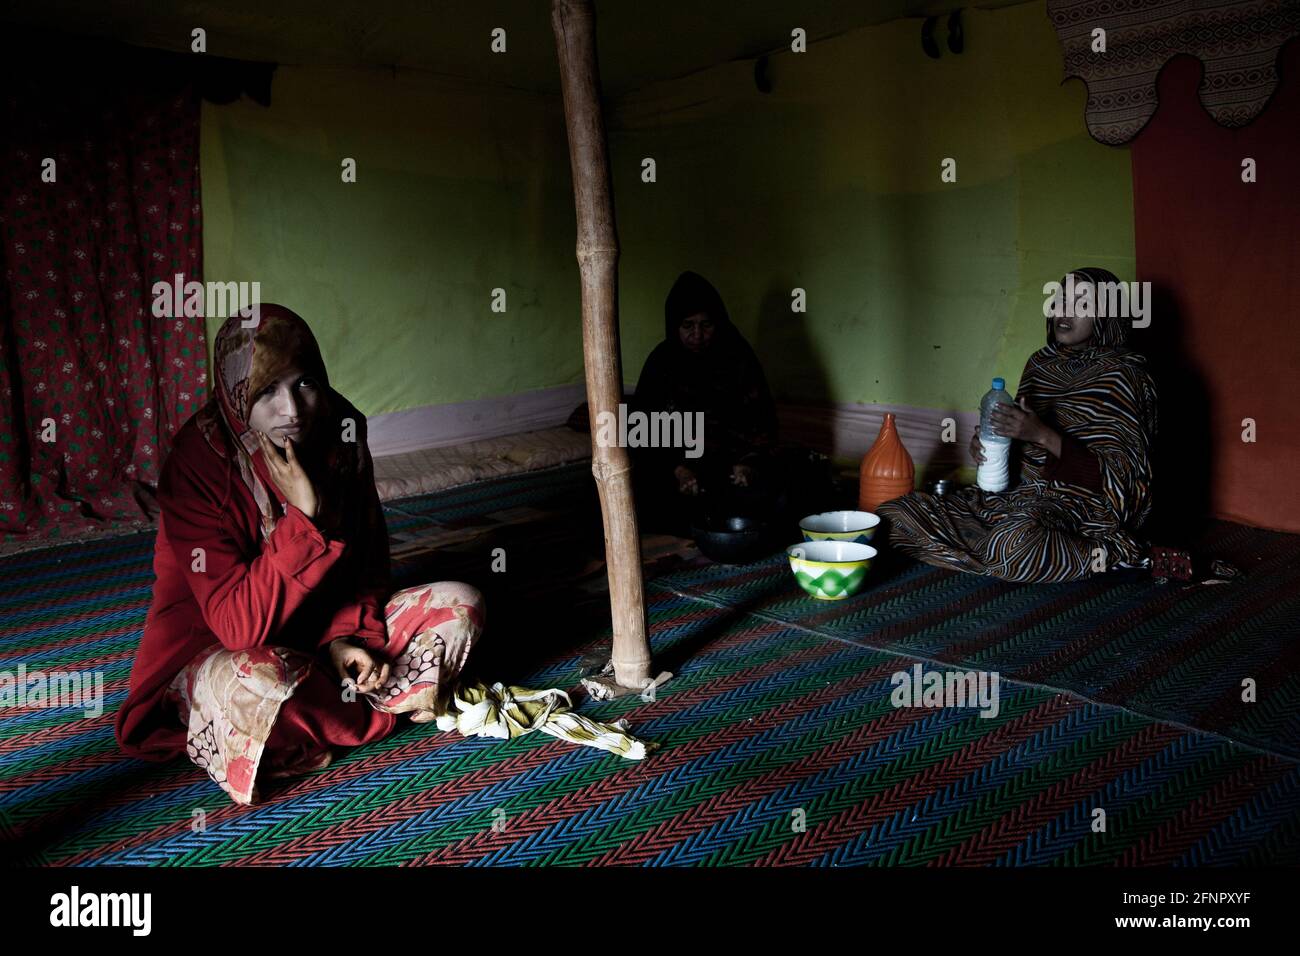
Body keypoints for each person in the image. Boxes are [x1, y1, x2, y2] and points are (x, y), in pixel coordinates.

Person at [115, 304, 484, 804]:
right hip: (219, 646)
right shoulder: (196, 463)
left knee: (461, 603)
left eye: (305, 383)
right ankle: (377, 710)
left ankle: (317, 716)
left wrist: (346, 638)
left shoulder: (341, 429)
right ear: (235, 391)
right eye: (267, 390)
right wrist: (304, 521)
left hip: (321, 634)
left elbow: (369, 561)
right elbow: (237, 626)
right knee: (252, 683)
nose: (292, 409)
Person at [878, 268, 1158, 584]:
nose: (1064, 312)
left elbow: (1127, 480)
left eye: (1082, 304)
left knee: (1014, 543)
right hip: (1016, 498)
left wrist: (1042, 435)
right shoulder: (1041, 363)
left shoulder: (1125, 375)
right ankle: (1002, 551)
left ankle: (1113, 554)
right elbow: (1018, 442)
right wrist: (991, 442)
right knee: (893, 516)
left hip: (1079, 509)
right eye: (1061, 299)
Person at [630, 271, 780, 531]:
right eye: (687, 325)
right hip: (675, 467)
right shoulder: (661, 363)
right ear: (674, 325)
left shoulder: (738, 357)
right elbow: (642, 427)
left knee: (783, 484)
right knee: (623, 487)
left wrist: (748, 464)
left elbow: (761, 419)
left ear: (718, 323)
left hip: (729, 469)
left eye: (706, 325)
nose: (697, 335)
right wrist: (677, 469)